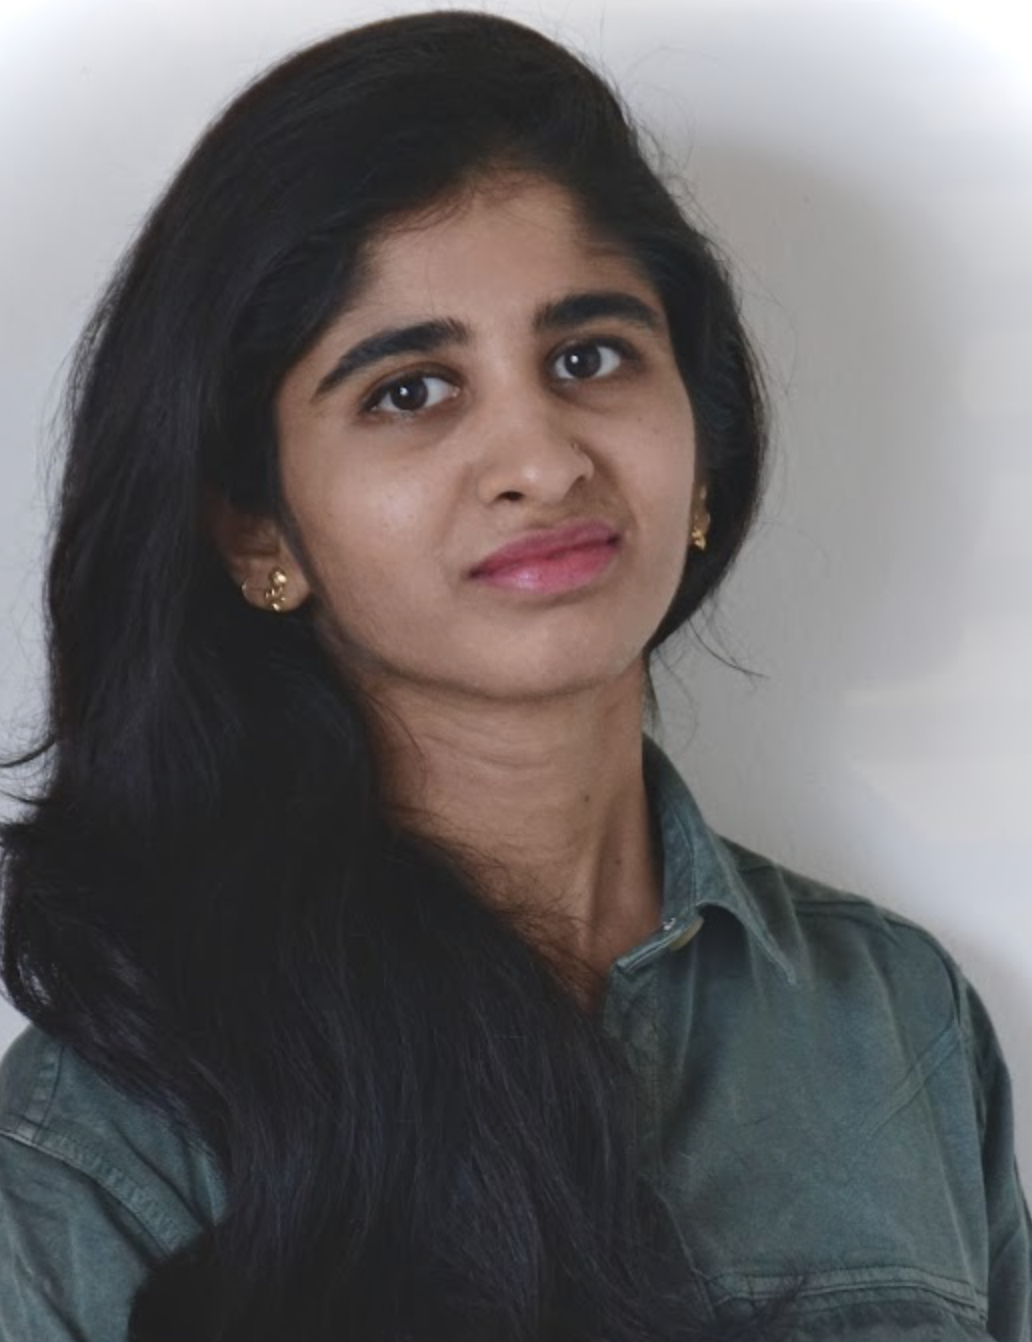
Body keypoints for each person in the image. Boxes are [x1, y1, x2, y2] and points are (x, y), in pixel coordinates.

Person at [0, 10, 1027, 1341]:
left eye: (589, 356)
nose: (542, 460)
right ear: (258, 532)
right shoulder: (109, 1134)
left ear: (702, 448)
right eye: (409, 390)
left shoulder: (891, 1019)